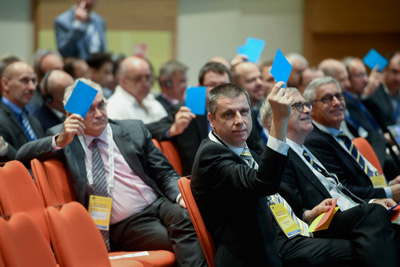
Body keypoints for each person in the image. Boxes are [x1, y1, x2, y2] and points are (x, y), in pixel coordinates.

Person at [191, 82, 398, 266]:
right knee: (370, 244)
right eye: (229, 114)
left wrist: (308, 214)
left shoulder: (247, 152)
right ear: (212, 119)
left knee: (374, 215)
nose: (239, 120)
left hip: (296, 230)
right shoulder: (211, 154)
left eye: (244, 112)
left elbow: (277, 198)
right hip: (266, 249)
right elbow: (262, 185)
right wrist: (279, 123)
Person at [16, 78, 207, 266]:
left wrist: (180, 196)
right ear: (71, 115)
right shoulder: (66, 137)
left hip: (159, 203)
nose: (99, 114)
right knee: (180, 239)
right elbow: (21, 155)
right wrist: (59, 141)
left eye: (101, 105)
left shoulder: (133, 130)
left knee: (189, 218)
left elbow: (165, 173)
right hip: (126, 223)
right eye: (90, 109)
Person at [303, 77, 400, 202]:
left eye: (339, 96)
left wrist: (389, 185)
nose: (337, 102)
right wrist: (389, 192)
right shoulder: (315, 141)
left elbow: (362, 181)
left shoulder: (338, 133)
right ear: (311, 108)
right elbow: (343, 189)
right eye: (327, 98)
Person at [146, 61, 231, 175]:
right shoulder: (189, 107)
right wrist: (172, 129)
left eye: (224, 85)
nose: (218, 91)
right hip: (201, 178)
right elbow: (147, 129)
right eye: (212, 85)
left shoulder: (240, 111)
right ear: (200, 87)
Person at [319, 58, 390, 170]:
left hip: (359, 152)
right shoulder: (339, 106)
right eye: (343, 80)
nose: (347, 84)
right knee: (378, 139)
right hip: (350, 160)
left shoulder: (358, 98)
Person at [0, 61, 44, 160]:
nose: (32, 87)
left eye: (33, 81)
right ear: (6, 84)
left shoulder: (33, 120)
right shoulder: (1, 119)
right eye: (24, 80)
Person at [107, 56, 167, 123]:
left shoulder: (153, 103)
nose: (146, 84)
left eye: (148, 77)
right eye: (138, 78)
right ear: (123, 79)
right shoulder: (113, 108)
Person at [363, 51, 400, 130]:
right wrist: (366, 92)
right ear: (384, 69)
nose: (398, 78)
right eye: (394, 72)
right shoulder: (372, 92)